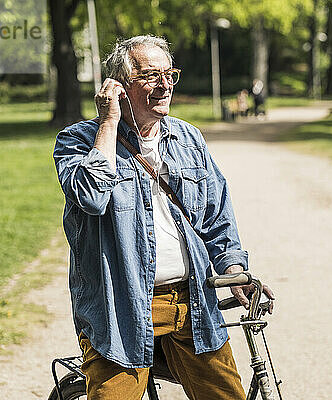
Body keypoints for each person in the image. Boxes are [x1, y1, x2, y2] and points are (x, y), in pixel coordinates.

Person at [53, 35, 274, 400]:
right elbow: (91, 198)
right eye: (151, 75)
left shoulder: (189, 138)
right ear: (119, 87)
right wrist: (109, 122)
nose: (165, 85)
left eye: (170, 75)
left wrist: (234, 269)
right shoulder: (78, 140)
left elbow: (217, 215)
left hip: (193, 302)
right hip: (120, 307)